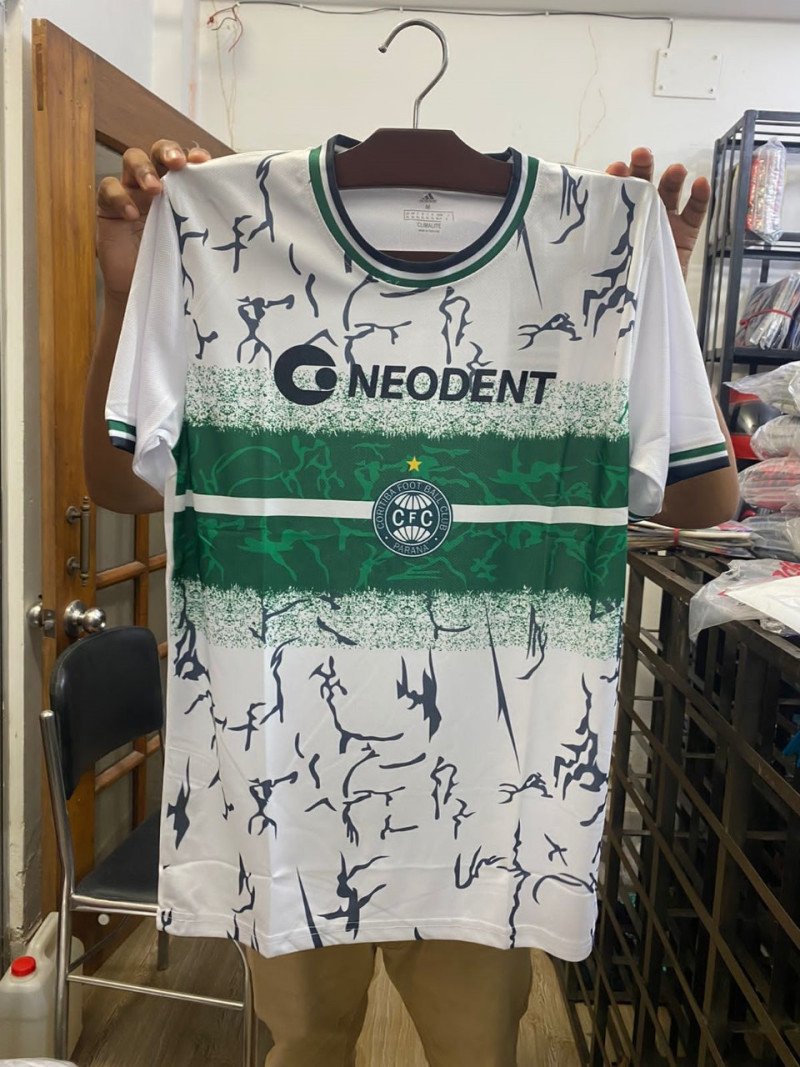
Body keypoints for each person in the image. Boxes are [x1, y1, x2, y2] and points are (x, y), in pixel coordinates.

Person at [86, 139, 738, 1067]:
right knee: (305, 1047)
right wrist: (125, 294)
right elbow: (119, 482)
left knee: (476, 1051)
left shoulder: (598, 250)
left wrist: (651, 315)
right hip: (293, 795)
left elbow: (706, 501)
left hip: (490, 802)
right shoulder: (221, 233)